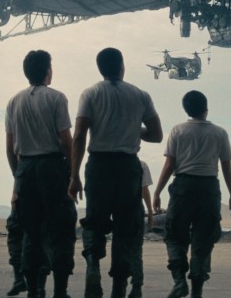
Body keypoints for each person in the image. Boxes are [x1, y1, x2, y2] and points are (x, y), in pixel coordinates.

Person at [68, 47, 162, 298]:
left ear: (100, 69)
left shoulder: (90, 93)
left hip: (98, 165)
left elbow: (79, 135)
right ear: (122, 66)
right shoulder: (140, 95)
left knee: (94, 221)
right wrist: (133, 129)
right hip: (127, 166)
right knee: (125, 227)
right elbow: (156, 135)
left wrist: (74, 176)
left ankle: (92, 266)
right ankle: (119, 286)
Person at [152, 90, 231, 298]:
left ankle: (179, 281)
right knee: (203, 240)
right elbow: (226, 167)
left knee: (174, 236)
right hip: (209, 188)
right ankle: (197, 291)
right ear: (206, 109)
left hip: (183, 187)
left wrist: (157, 192)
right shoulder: (219, 133)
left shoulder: (178, 131)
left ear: (186, 110)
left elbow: (169, 165)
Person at [6, 50, 76, 298]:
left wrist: (18, 176)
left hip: (26, 167)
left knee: (31, 232)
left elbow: (9, 147)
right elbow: (66, 141)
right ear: (48, 70)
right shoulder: (57, 98)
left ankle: (35, 289)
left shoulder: (14, 101)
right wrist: (73, 174)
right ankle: (60, 290)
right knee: (61, 230)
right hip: (53, 167)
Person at [128, 160, 154, 298]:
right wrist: (150, 212)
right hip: (136, 209)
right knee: (136, 250)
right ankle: (136, 286)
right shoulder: (141, 164)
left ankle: (119, 286)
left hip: (119, 209)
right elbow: (144, 189)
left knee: (120, 248)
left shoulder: (114, 161)